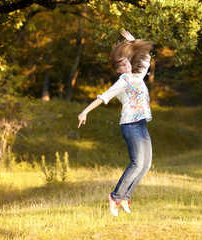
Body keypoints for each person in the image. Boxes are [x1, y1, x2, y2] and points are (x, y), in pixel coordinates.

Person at [78, 30, 153, 216]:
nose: (126, 64)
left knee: (146, 165)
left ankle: (125, 197)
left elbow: (146, 59)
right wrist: (85, 111)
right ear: (118, 69)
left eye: (126, 61)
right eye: (121, 64)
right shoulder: (123, 81)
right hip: (130, 125)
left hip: (141, 124)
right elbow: (103, 97)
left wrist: (134, 42)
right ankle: (115, 197)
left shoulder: (137, 76)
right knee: (136, 163)